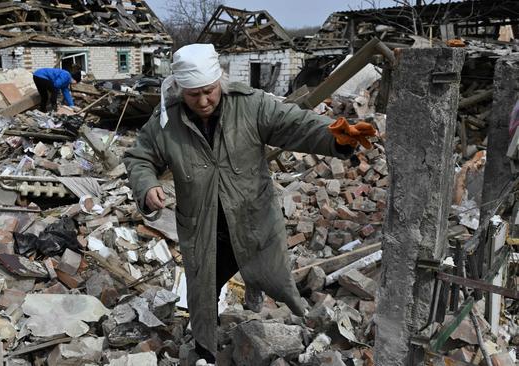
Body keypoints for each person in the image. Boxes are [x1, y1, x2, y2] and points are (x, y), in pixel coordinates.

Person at [122, 44, 375, 363]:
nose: (203, 101)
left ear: (220, 82)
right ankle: (204, 350)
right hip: (204, 228)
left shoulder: (251, 106)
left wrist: (337, 138)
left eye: (209, 92)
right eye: (193, 94)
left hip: (254, 222)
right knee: (203, 292)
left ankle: (308, 329)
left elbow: (295, 124)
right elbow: (139, 156)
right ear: (180, 90)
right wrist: (146, 186)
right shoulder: (166, 121)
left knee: (276, 281)